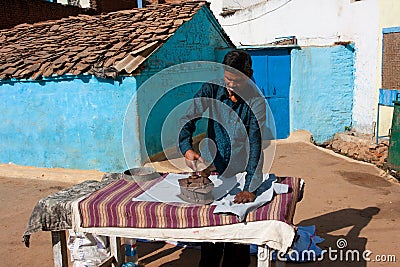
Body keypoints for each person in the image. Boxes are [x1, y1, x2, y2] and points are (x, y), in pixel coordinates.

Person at [178, 50, 266, 267]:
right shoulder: (212, 89)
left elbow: (255, 145)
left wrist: (251, 188)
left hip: (242, 171)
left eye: (237, 81)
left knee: (237, 233)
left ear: (249, 74)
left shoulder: (256, 102)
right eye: (228, 79)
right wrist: (186, 148)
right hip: (214, 168)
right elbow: (189, 117)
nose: (231, 85)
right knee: (212, 231)